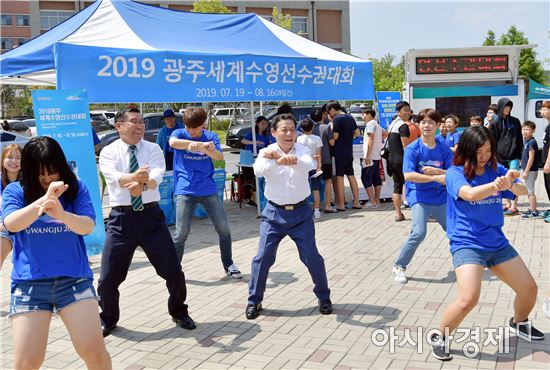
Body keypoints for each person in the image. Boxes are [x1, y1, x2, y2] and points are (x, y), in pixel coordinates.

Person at [430, 126, 544, 361]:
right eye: (479, 152)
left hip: (496, 242)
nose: (484, 156)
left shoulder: (495, 168)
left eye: (488, 151)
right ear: (467, 150)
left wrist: (510, 183)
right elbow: (469, 194)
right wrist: (496, 187)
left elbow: (523, 190)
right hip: (467, 243)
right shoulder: (455, 172)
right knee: (468, 298)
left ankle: (519, 322)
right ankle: (440, 336)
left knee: (529, 289)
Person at [2, 136, 111, 369]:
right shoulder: (15, 191)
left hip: (74, 280)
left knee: (94, 352)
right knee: (26, 363)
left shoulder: (77, 188)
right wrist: (43, 201)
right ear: (29, 172)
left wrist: (61, 214)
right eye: (41, 174)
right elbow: (11, 223)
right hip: (29, 284)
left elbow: (87, 226)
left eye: (53, 172)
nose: (48, 179)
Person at [99, 107, 195, 337]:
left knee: (173, 270)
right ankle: (108, 318)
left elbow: (157, 176)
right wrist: (135, 177)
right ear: (119, 126)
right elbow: (113, 177)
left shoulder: (152, 148)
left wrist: (142, 184)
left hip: (151, 218)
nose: (140, 126)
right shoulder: (109, 151)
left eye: (141, 121)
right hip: (121, 220)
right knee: (108, 277)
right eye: (134, 121)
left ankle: (179, 311)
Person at [245, 114, 332, 320]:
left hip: (301, 214)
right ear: (274, 132)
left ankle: (324, 297)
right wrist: (279, 161)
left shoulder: (302, 149)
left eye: (292, 129)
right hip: (273, 214)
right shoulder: (267, 151)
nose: (289, 133)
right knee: (263, 258)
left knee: (311, 257)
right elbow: (259, 170)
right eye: (284, 130)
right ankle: (254, 301)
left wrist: (286, 161)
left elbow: (308, 165)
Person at [169, 107, 242, 279]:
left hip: (208, 189)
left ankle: (229, 264)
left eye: (194, 128)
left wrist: (206, 148)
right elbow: (173, 143)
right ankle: (173, 269)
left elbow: (219, 156)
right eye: (188, 127)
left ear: (203, 125)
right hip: (185, 190)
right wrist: (194, 145)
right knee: (181, 233)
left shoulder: (211, 137)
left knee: (223, 228)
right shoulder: (180, 133)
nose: (191, 131)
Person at [392, 109, 453, 284]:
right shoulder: (413, 148)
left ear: (437, 125)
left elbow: (453, 172)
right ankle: (399, 265)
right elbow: (408, 175)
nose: (427, 125)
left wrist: (438, 172)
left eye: (431, 122)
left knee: (455, 232)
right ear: (419, 125)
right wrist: (434, 177)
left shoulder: (444, 148)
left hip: (442, 198)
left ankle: (466, 261)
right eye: (423, 122)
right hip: (420, 197)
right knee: (419, 232)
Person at [490, 98, 523, 216]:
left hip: (513, 155)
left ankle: (514, 206)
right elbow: (492, 142)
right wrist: (492, 156)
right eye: (505, 107)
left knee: (514, 179)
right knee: (503, 180)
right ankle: (507, 204)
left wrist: (520, 155)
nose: (507, 109)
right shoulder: (494, 123)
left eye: (509, 107)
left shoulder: (515, 121)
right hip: (499, 157)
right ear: (500, 108)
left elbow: (519, 138)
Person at [327, 101, 362, 211]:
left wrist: (332, 125)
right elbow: (357, 133)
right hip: (349, 151)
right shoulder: (350, 117)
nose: (330, 114)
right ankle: (357, 202)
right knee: (351, 176)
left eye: (329, 111)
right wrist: (348, 137)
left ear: (333, 109)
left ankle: (341, 204)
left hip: (339, 151)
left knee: (340, 177)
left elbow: (335, 137)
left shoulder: (337, 119)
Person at [387, 101, 412, 221]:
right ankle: (419, 213)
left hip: (392, 160)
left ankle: (398, 214)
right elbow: (405, 145)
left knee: (397, 187)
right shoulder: (403, 125)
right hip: (402, 161)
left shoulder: (392, 124)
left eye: (408, 109)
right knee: (412, 185)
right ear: (398, 112)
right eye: (405, 110)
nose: (408, 112)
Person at [240, 116, 271, 207]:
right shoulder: (252, 134)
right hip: (249, 161)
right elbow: (243, 140)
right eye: (262, 123)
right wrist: (254, 142)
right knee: (253, 180)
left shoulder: (266, 137)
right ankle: (253, 200)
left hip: (261, 162)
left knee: (260, 180)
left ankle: (258, 200)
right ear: (257, 124)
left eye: (265, 124)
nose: (264, 126)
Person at [0, 144, 22, 269]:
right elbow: (3, 205)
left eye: (18, 158)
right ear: (3, 160)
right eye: (10, 157)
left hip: (27, 224)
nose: (14, 161)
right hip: (4, 224)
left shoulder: (29, 180)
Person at [296, 118, 323, 219]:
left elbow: (298, 154)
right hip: (314, 166)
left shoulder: (299, 139)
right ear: (312, 127)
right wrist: (319, 166)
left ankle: (303, 211)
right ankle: (317, 211)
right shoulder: (317, 138)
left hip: (303, 166)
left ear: (302, 129)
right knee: (316, 189)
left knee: (302, 188)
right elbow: (319, 154)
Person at [314, 108, 337, 213]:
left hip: (314, 160)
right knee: (328, 181)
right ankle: (328, 205)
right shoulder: (326, 127)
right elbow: (332, 143)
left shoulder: (311, 128)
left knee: (315, 184)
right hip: (326, 158)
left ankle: (316, 207)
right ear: (322, 116)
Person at [361, 109, 385, 208]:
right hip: (376, 155)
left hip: (370, 156)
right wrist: (379, 142)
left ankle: (372, 201)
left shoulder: (370, 124)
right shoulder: (377, 124)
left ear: (369, 114)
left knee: (365, 177)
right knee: (376, 178)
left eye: (363, 114)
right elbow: (386, 133)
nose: (362, 116)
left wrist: (367, 155)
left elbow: (370, 139)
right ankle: (377, 200)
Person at [520, 121, 540, 219]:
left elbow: (531, 157)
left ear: (533, 131)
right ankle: (532, 208)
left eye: (527, 129)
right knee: (528, 191)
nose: (525, 131)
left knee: (530, 191)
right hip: (526, 170)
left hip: (530, 171)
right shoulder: (526, 140)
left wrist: (526, 171)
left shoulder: (532, 142)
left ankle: (534, 212)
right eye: (523, 129)